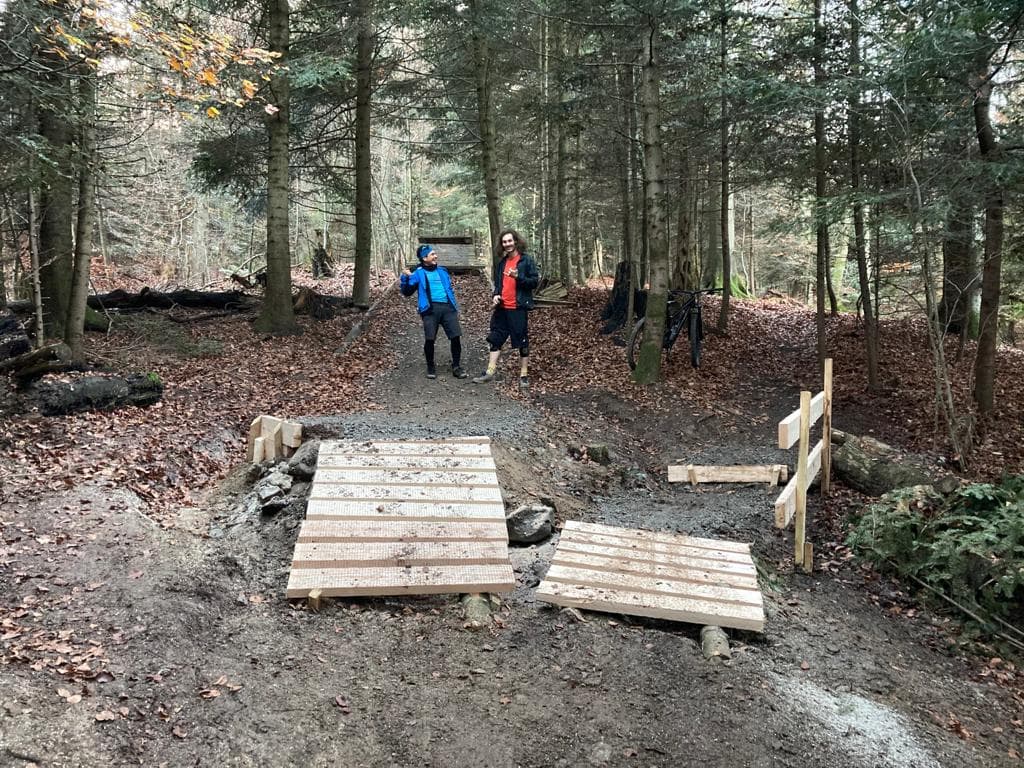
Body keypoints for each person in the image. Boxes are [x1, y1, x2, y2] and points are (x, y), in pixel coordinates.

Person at [473, 228, 540, 390]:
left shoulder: (526, 261)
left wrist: (519, 277)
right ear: (501, 245)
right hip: (502, 308)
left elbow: (534, 282)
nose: (507, 244)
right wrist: (495, 295)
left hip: (518, 308)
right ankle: (490, 371)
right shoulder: (502, 262)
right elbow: (499, 285)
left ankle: (524, 375)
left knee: (521, 341)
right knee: (495, 338)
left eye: (510, 241)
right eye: (504, 242)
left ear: (516, 241)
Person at [400, 244, 468, 379]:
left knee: (455, 336)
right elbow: (407, 292)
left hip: (448, 308)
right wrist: (406, 277)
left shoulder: (442, 271)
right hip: (430, 309)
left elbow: (448, 288)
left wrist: (453, 304)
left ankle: (456, 366)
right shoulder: (418, 273)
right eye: (432, 254)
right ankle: (430, 366)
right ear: (424, 258)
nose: (436, 256)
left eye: (435, 253)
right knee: (430, 338)